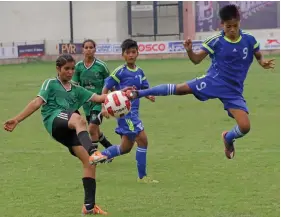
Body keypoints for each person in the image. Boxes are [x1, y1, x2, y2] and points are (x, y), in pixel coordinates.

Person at [125, 4, 275, 159]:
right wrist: (190, 50)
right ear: (221, 24)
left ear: (239, 22)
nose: (231, 30)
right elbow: (196, 60)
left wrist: (262, 62)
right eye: (228, 26)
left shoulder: (249, 40)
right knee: (181, 89)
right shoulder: (216, 41)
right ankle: (139, 93)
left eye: (234, 26)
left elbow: (257, 53)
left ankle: (228, 138)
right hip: (214, 80)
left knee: (245, 127)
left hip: (233, 90)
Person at [3, 54, 108, 215]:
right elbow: (36, 102)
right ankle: (93, 150)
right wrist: (17, 119)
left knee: (88, 163)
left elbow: (100, 97)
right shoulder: (51, 83)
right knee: (79, 119)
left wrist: (124, 94)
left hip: (70, 131)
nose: (70, 72)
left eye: (72, 69)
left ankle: (89, 206)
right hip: (54, 121)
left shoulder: (77, 90)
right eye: (66, 69)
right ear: (58, 69)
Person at [99, 39, 159, 183]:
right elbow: (106, 87)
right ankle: (142, 177)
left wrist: (149, 94)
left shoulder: (139, 72)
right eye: (128, 53)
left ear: (138, 53)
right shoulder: (120, 71)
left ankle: (98, 156)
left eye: (133, 52)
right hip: (125, 114)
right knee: (143, 140)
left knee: (125, 148)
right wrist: (103, 106)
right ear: (123, 55)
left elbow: (144, 87)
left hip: (134, 113)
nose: (131, 55)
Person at [72, 39, 113, 151]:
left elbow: (110, 83)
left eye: (91, 47)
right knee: (96, 131)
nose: (89, 50)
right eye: (86, 47)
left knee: (91, 129)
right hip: (86, 104)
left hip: (99, 102)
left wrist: (113, 99)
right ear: (82, 49)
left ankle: (95, 155)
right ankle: (111, 149)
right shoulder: (78, 67)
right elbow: (74, 87)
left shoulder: (101, 66)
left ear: (95, 49)